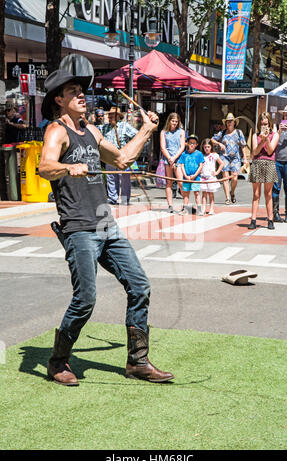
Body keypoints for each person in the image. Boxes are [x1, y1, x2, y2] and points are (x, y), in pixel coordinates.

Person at [38, 69, 174, 386]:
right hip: (78, 229)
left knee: (139, 286)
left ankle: (137, 362)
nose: (81, 95)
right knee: (85, 299)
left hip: (106, 226)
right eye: (73, 91)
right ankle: (58, 362)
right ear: (59, 99)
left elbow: (123, 159)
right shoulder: (57, 132)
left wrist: (147, 130)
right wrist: (69, 167)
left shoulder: (91, 131)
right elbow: (44, 166)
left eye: (81, 90)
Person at [248, 112, 279, 230]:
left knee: (268, 193)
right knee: (256, 194)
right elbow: (255, 152)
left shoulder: (275, 135)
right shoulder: (255, 135)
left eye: (266, 123)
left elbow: (270, 151)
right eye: (262, 123)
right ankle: (253, 219)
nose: (264, 125)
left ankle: (270, 219)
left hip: (269, 163)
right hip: (257, 163)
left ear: (270, 123)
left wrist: (266, 139)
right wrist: (261, 140)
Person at [101, 107, 138, 205]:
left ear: (118, 116)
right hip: (109, 157)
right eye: (109, 115)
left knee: (125, 179)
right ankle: (113, 198)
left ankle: (125, 200)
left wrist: (130, 149)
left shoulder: (124, 126)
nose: (110, 117)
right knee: (111, 178)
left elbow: (137, 136)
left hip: (123, 156)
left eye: (112, 115)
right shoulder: (105, 127)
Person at [211, 112, 248, 205]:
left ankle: (232, 192)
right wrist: (219, 143)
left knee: (235, 177)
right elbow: (212, 139)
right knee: (225, 177)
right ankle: (227, 197)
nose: (229, 123)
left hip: (235, 157)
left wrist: (245, 158)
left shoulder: (239, 132)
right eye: (228, 121)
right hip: (224, 156)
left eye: (231, 121)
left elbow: (243, 145)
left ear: (234, 122)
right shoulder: (222, 133)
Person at [160, 113, 186, 213]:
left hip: (178, 158)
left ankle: (185, 203)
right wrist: (170, 158)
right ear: (169, 121)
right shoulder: (163, 132)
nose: (174, 123)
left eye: (176, 121)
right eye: (173, 121)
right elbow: (163, 147)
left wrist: (174, 158)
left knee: (180, 182)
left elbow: (182, 146)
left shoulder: (181, 132)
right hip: (168, 159)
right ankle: (170, 205)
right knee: (169, 182)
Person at [178, 134, 204, 215]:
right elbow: (181, 165)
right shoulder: (184, 154)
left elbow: (201, 165)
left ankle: (199, 209)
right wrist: (185, 176)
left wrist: (195, 175)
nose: (192, 144)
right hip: (186, 177)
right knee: (186, 193)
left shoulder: (199, 154)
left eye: (194, 143)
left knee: (196, 193)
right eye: (190, 143)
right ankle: (185, 209)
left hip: (195, 177)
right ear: (187, 144)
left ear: (196, 144)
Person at [199, 138, 224, 215]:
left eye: (208, 147)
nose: (206, 148)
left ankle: (211, 208)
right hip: (203, 177)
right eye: (205, 147)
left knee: (211, 193)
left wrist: (217, 172)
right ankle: (203, 208)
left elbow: (222, 164)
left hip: (211, 177)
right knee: (204, 194)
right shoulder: (201, 155)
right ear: (203, 147)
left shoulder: (214, 155)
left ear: (211, 147)